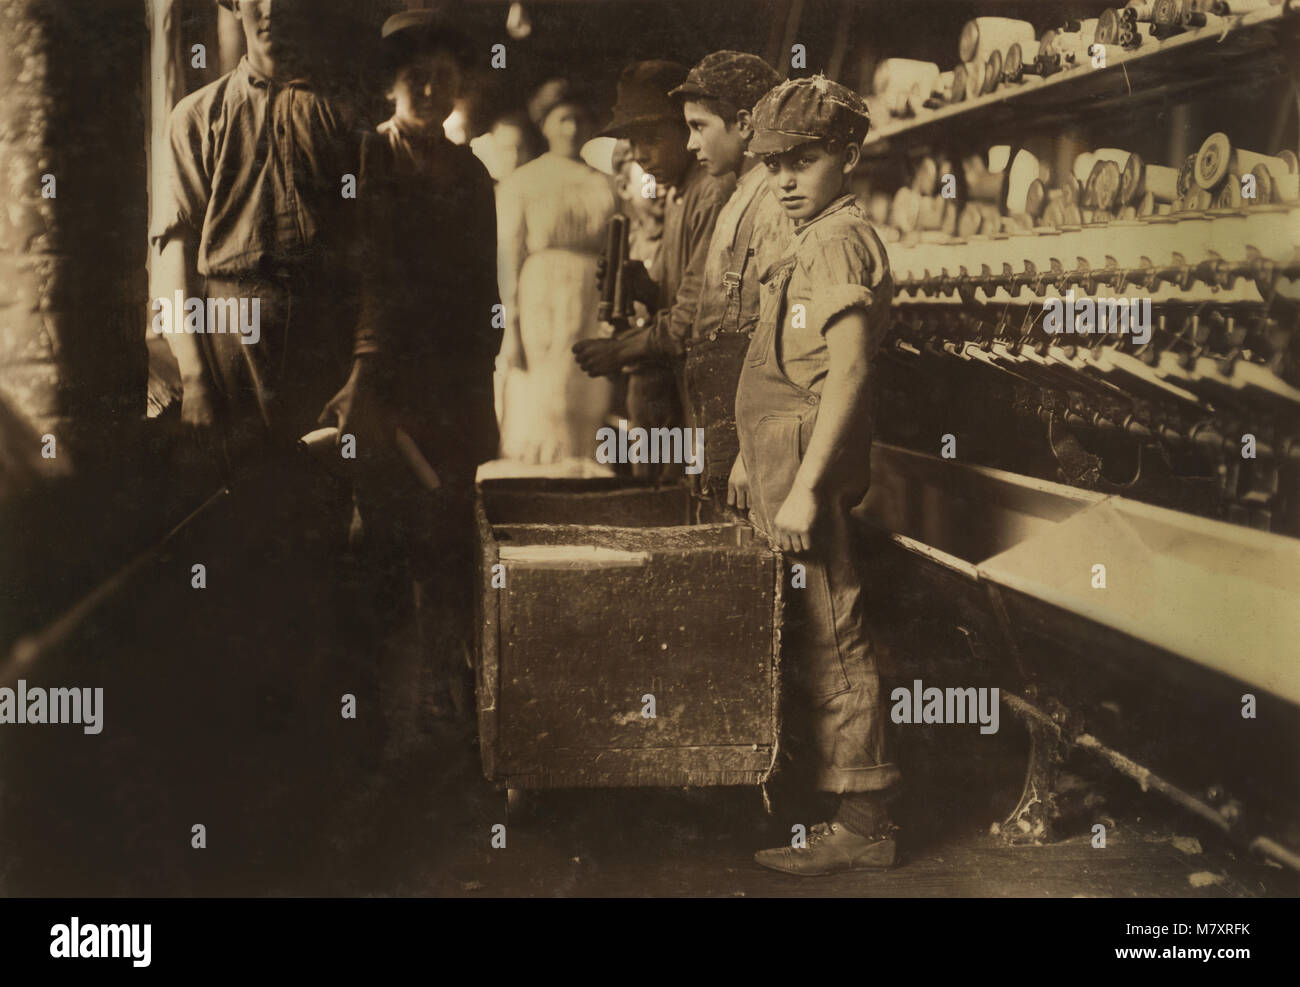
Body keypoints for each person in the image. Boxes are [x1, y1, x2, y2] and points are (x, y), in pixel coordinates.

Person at [734, 76, 900, 875]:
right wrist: (749, 454)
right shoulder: (810, 235)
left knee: (835, 635)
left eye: (804, 159)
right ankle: (832, 799)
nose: (786, 178)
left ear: (850, 154)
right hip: (779, 460)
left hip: (808, 468)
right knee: (810, 633)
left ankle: (865, 822)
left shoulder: (837, 238)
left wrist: (803, 486)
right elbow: (781, 360)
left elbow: (849, 370)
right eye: (773, 164)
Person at [351, 10, 500, 726]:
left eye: (443, 77)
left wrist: (482, 373)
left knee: (448, 536)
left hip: (454, 390)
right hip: (381, 383)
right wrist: (363, 377)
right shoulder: (364, 160)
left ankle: (447, 689)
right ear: (390, 86)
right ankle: (380, 703)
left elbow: (486, 293)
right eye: (415, 77)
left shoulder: (472, 176)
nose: (430, 88)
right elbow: (356, 275)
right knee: (380, 536)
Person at [152, 0, 368, 459]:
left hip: (325, 331)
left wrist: (360, 377)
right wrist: (193, 378)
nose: (270, 7)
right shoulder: (195, 116)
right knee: (243, 503)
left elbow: (375, 253)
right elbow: (175, 252)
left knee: (322, 501)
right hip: (230, 335)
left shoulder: (346, 119)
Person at [573, 60, 734, 478]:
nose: (640, 155)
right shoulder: (678, 193)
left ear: (686, 130)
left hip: (705, 387)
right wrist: (641, 285)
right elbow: (681, 293)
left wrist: (619, 351)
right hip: (682, 384)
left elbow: (689, 320)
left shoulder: (711, 192)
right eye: (632, 141)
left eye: (651, 139)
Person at [668, 51, 791, 502]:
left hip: (749, 412)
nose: (689, 144)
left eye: (699, 126)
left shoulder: (773, 200)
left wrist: (750, 451)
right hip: (722, 402)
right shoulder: (740, 192)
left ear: (743, 124)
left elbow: (779, 334)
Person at [496, 78, 615, 466]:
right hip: (541, 300)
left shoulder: (604, 184)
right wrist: (510, 328)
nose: (572, 129)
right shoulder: (523, 181)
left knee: (586, 394)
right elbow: (509, 257)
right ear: (544, 124)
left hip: (591, 297)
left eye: (580, 120)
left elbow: (616, 250)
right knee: (544, 395)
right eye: (563, 119)